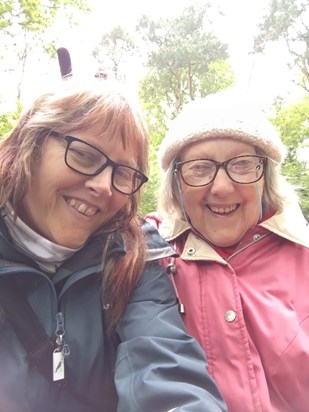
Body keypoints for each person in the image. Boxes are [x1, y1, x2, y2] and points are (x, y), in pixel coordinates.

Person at [0, 76, 227, 412]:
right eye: (84, 155)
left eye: (123, 174)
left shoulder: (134, 256)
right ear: (29, 145)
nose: (105, 187)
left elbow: (163, 361)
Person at [146, 90, 309, 412]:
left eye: (243, 164)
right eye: (200, 168)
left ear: (266, 177)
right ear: (176, 184)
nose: (221, 187)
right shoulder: (146, 259)